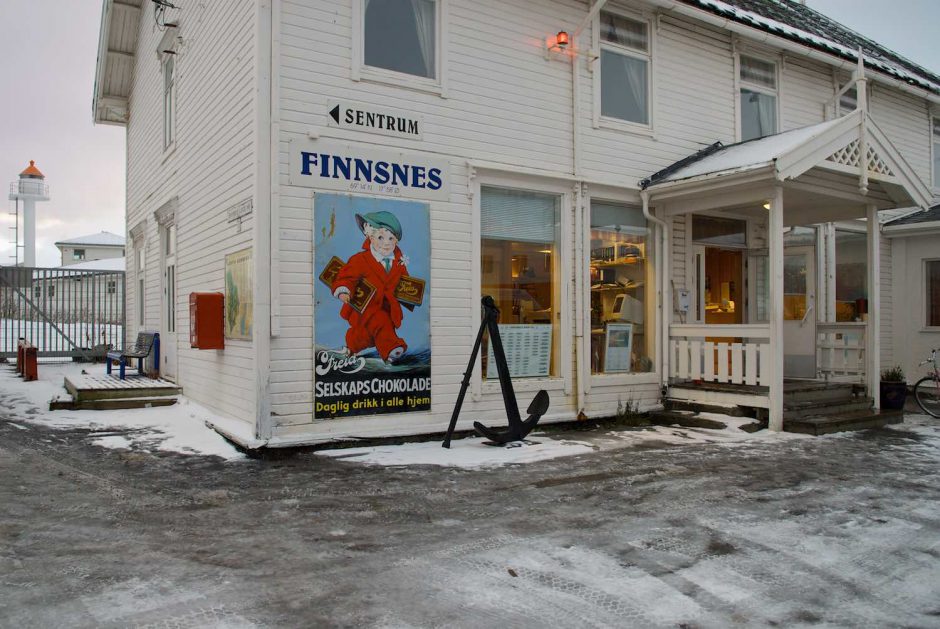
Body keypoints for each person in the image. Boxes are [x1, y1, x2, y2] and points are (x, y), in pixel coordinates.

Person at [331, 211, 410, 363]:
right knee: (379, 323)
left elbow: (405, 282)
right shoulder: (360, 259)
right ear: (370, 237)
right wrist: (343, 290)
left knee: (367, 335)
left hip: (388, 308)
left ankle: (353, 346)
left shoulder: (399, 263)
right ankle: (392, 348)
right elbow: (347, 276)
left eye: (391, 238)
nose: (386, 243)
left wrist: (410, 294)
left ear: (396, 241)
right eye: (380, 237)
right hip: (365, 307)